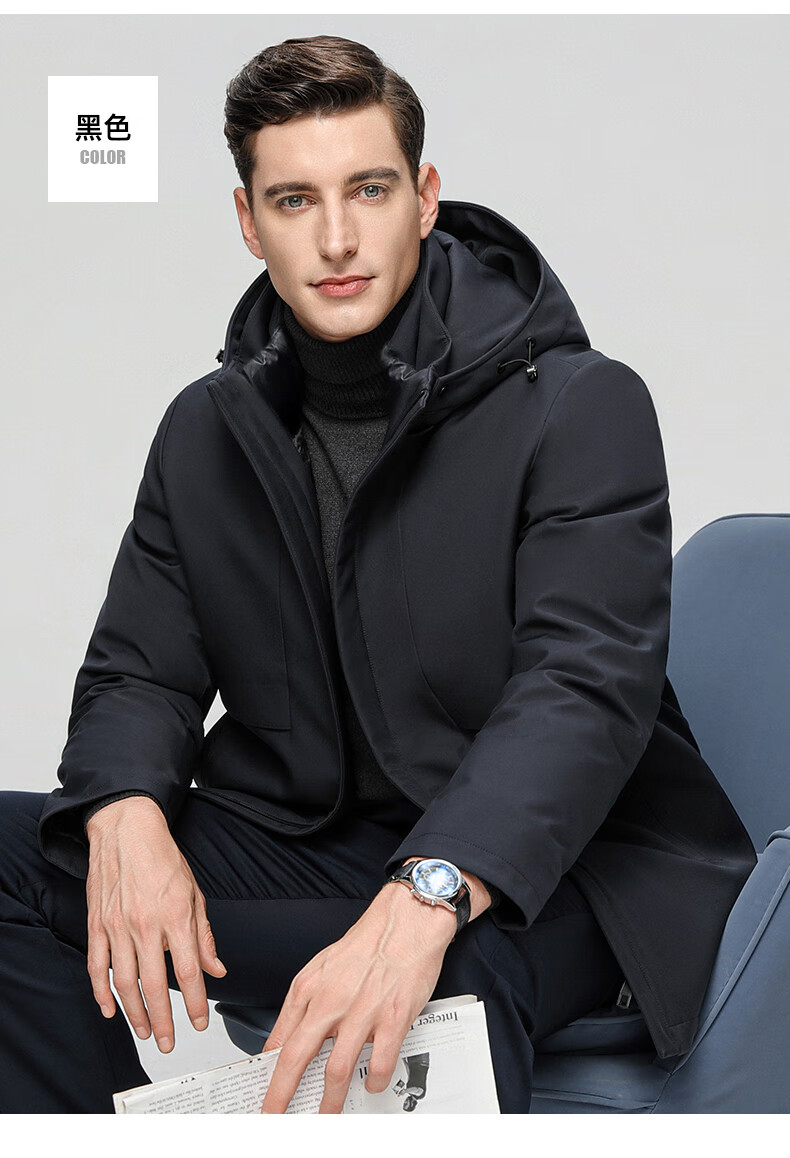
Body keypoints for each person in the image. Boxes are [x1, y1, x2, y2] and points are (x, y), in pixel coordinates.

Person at [0, 34, 756, 1115]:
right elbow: (140, 670)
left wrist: (430, 889)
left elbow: (582, 689)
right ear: (248, 220)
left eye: (368, 189)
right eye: (295, 200)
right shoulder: (206, 430)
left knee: (448, 975)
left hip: (569, 869)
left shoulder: (580, 405)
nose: (337, 238)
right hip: (318, 844)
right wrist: (124, 811)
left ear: (425, 196)